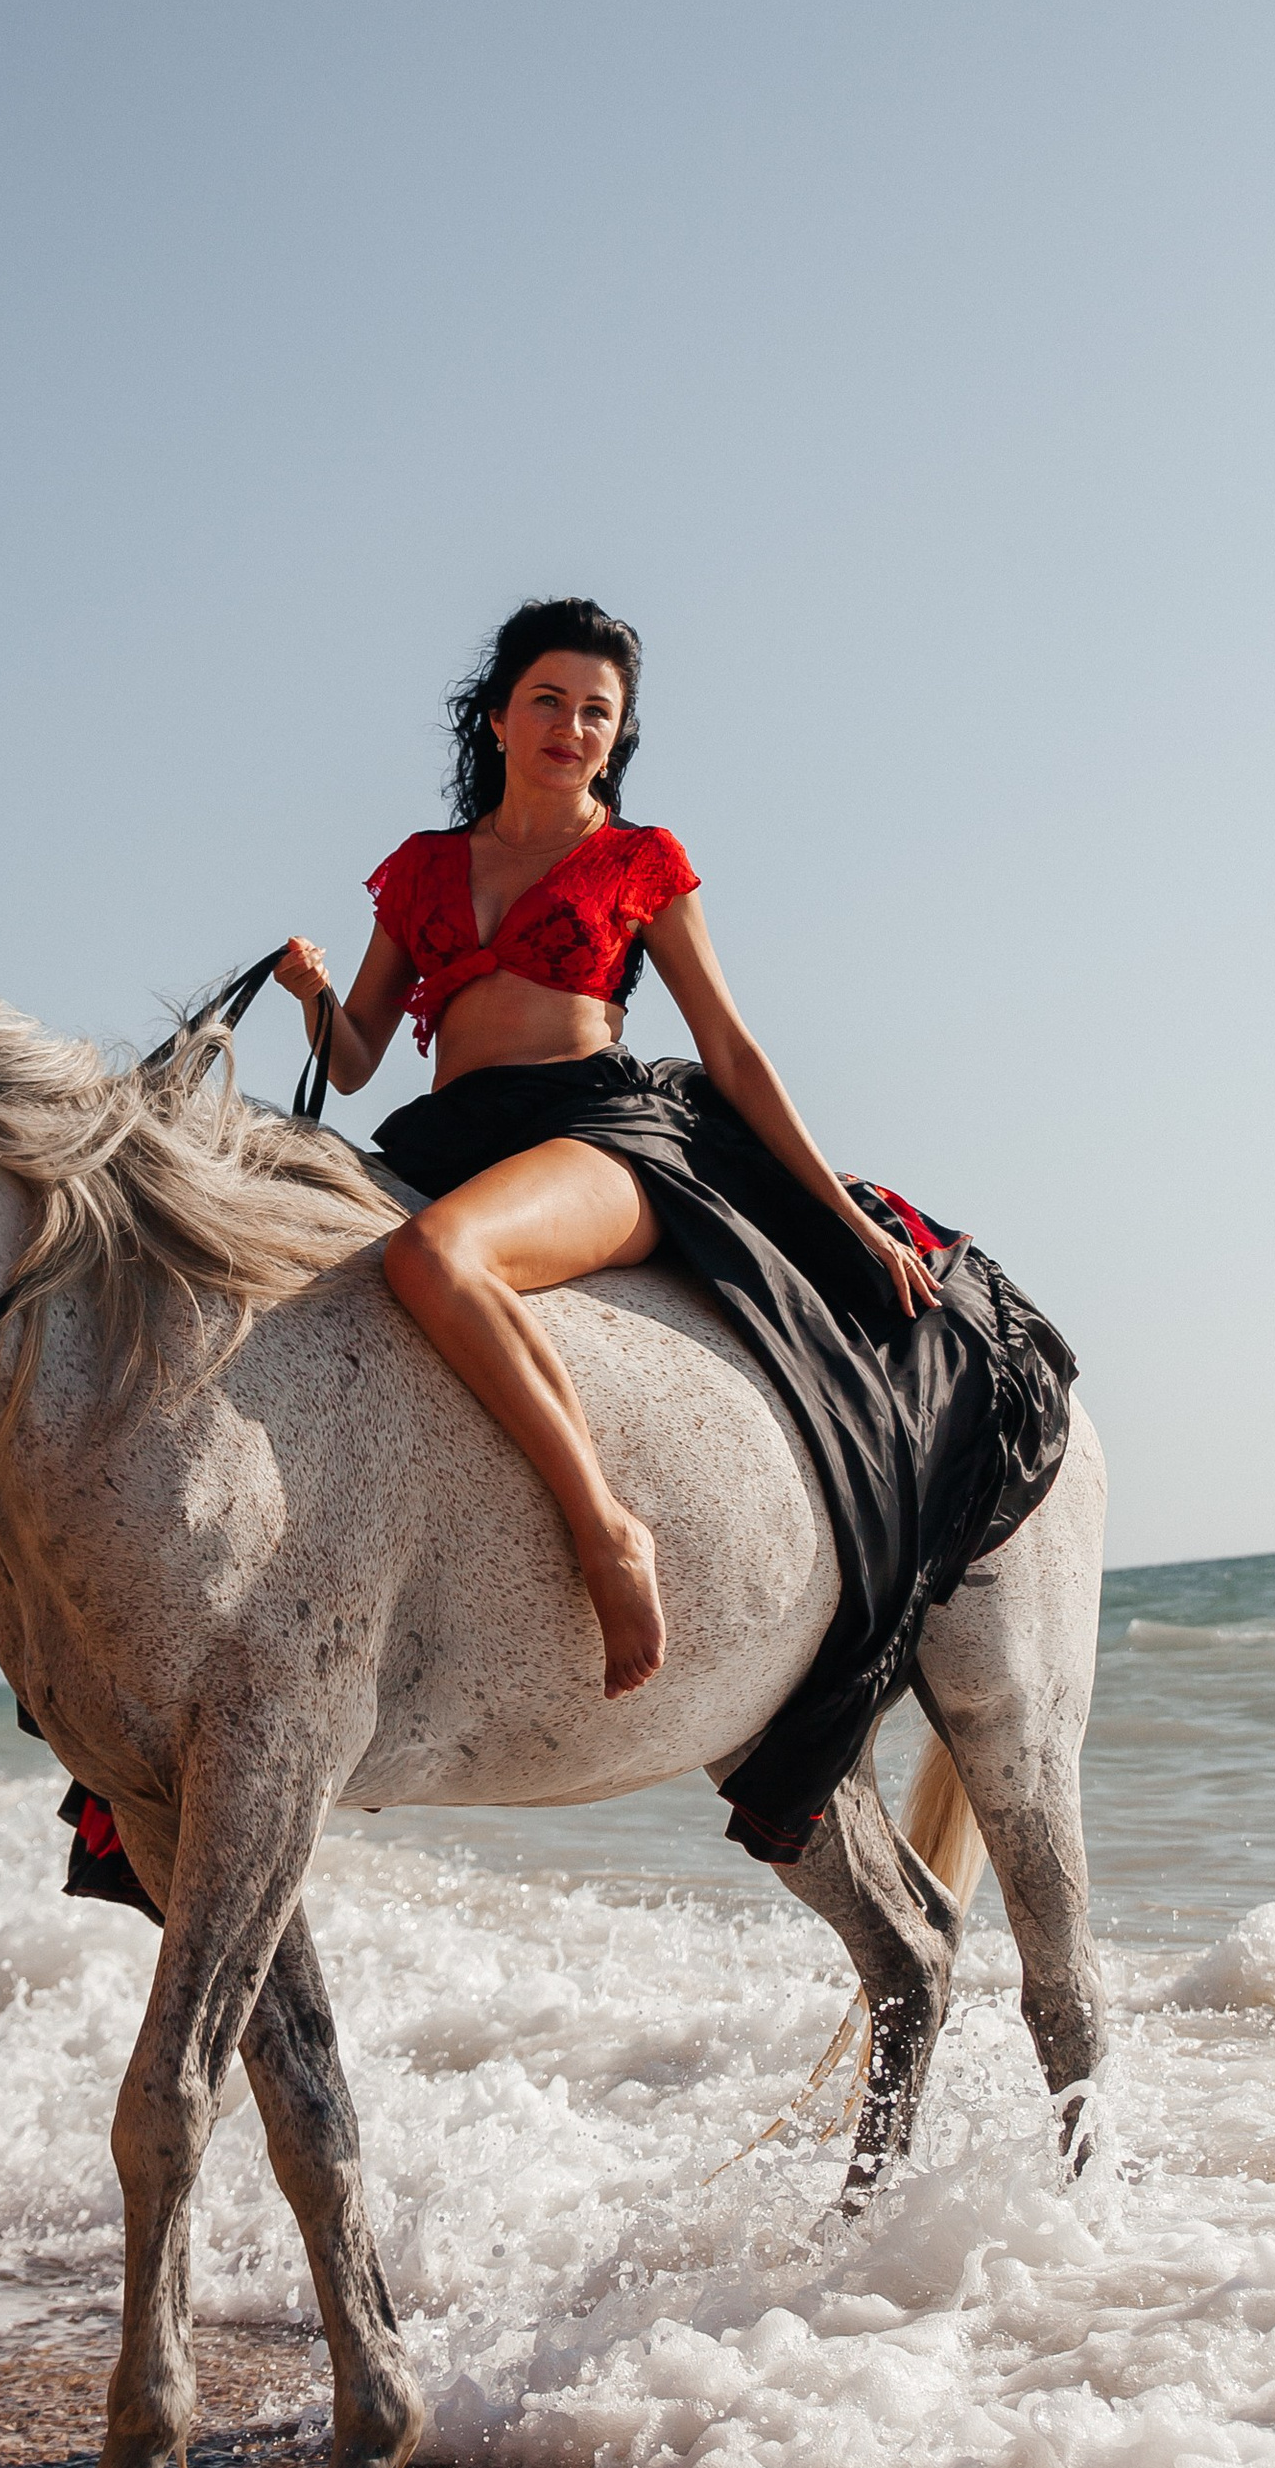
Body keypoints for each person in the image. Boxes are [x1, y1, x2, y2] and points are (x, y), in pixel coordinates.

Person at [274, 604, 1069, 1845]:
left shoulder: (640, 858)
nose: (572, 728)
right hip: (441, 1136)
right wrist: (318, 996)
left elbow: (732, 1050)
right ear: (496, 715)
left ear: (615, 737)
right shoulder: (424, 868)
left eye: (597, 712)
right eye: (548, 700)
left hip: (597, 1135)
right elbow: (361, 1057)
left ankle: (607, 1533)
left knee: (435, 1259)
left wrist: (845, 1220)